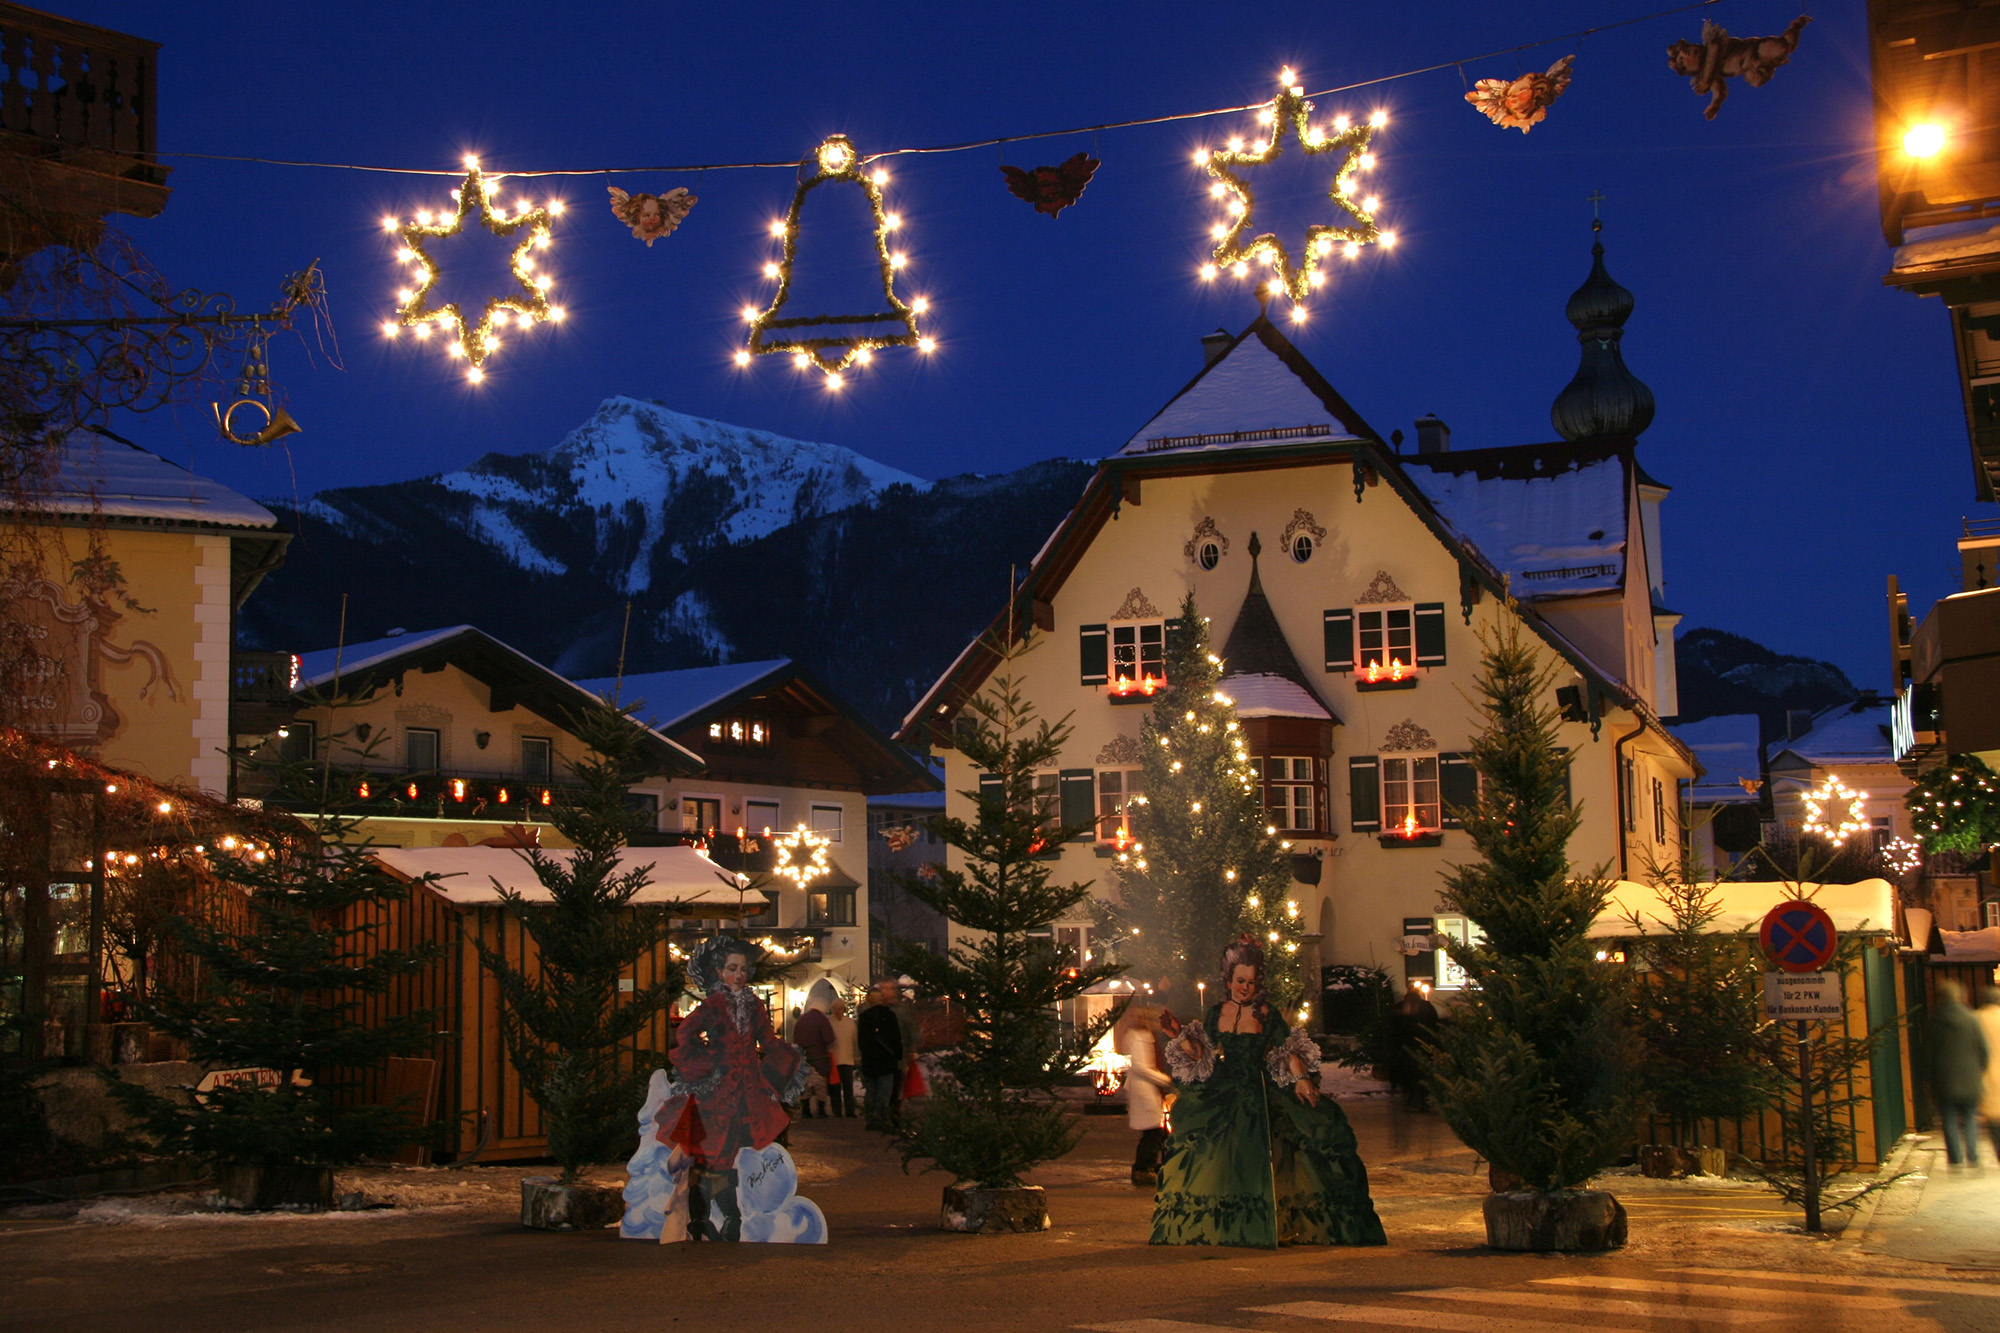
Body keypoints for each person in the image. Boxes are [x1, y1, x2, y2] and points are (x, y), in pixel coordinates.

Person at [1151, 935, 1386, 1248]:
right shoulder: (1216, 1013)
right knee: (1217, 1160)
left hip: (1260, 1091)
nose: (1245, 987)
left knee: (1286, 1151)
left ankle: (1274, 1224)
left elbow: (1288, 1049)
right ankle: (1229, 1227)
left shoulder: (1266, 1013)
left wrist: (1301, 1079)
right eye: (1240, 981)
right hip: (1225, 1090)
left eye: (1251, 982)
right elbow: (1203, 1054)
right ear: (1229, 981)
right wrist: (1178, 1035)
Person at [648, 936, 808, 1240]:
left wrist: (788, 1058)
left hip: (748, 1091)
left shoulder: (753, 1003)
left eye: (743, 969)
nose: (739, 975)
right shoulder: (714, 1003)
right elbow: (686, 1032)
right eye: (732, 969)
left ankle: (726, 1219)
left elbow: (767, 1038)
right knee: (711, 1151)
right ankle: (706, 1218)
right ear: (720, 972)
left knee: (731, 1150)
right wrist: (707, 1064)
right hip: (718, 1091)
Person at [1930, 978, 1990, 1168]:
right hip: (1970, 1077)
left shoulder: (1934, 1021)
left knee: (1948, 1117)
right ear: (1960, 996)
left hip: (1944, 1078)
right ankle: (1972, 1154)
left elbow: (1928, 1053)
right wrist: (1978, 1070)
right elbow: (1983, 1050)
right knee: (1970, 1116)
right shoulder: (1971, 1019)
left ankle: (1955, 1157)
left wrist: (1930, 1077)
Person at [1117, 991, 1173, 1187]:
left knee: (1153, 1132)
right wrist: (1163, 1079)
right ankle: (1144, 1168)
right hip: (1144, 1090)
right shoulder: (1139, 1037)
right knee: (1153, 1132)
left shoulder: (1142, 1036)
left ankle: (1146, 1165)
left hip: (1147, 1089)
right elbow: (1141, 1067)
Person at [858, 980, 905, 1130]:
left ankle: (870, 1119)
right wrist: (898, 1056)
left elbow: (861, 1042)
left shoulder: (864, 1017)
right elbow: (896, 1039)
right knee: (884, 1092)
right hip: (886, 1061)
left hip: (870, 1061)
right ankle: (881, 1119)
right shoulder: (889, 1016)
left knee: (871, 1091)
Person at [793, 981, 836, 1119]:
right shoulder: (822, 1020)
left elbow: (795, 1039)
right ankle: (821, 1110)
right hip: (819, 1058)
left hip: (804, 1058)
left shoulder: (801, 1020)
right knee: (820, 1085)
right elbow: (829, 1038)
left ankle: (806, 1109)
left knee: (806, 1084)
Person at [890, 975, 922, 1118]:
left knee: (897, 1086)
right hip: (890, 1056)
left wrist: (911, 1049)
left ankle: (894, 1113)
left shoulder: (902, 1010)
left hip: (899, 1056)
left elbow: (911, 1031)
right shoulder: (897, 1009)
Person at [829, 997, 860, 1119]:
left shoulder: (850, 1023)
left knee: (848, 1086)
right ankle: (836, 1110)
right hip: (834, 1059)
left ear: (844, 1009)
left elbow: (855, 1041)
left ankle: (849, 1110)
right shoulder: (829, 1022)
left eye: (840, 1009)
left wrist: (856, 1056)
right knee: (835, 1087)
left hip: (847, 1058)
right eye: (836, 1009)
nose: (838, 1011)